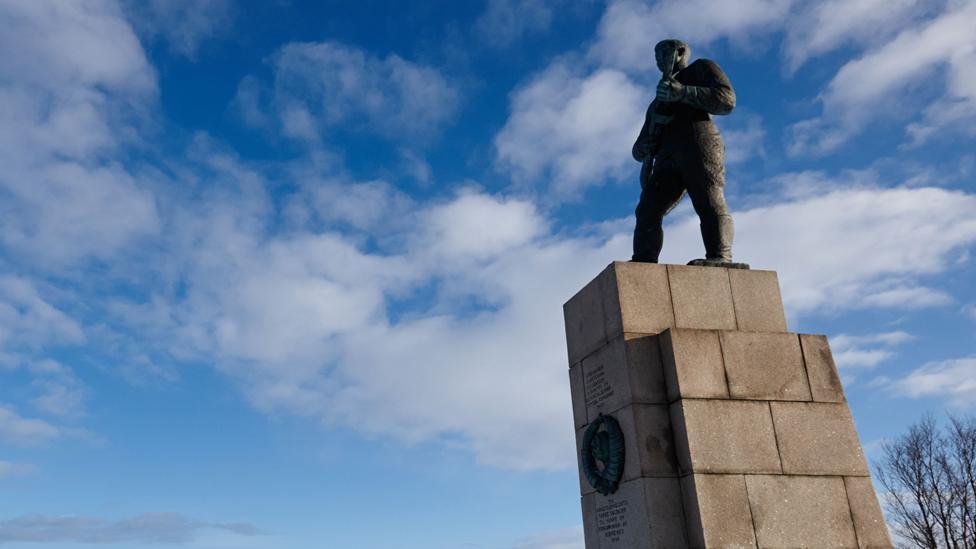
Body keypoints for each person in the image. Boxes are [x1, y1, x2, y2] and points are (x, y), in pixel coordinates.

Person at [631, 39, 739, 266]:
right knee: (647, 210)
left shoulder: (701, 68)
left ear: (679, 53)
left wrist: (684, 92)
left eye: (664, 54)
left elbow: (726, 100)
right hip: (666, 158)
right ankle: (644, 262)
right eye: (656, 56)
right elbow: (639, 146)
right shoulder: (657, 101)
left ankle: (720, 256)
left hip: (699, 143)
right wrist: (643, 147)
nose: (659, 60)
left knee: (708, 199)